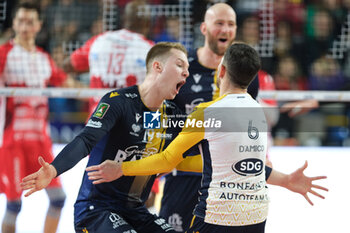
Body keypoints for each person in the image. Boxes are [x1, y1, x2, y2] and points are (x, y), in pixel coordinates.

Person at [83, 42, 328, 233]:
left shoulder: (208, 113)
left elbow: (168, 159)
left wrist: (122, 168)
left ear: (220, 72)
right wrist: (286, 180)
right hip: (256, 215)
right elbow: (244, 167)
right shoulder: (257, 112)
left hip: (218, 217)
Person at [20, 42, 190, 233]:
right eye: (180, 65)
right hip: (96, 210)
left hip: (135, 212)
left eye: (187, 68)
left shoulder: (170, 116)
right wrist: (53, 169)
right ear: (157, 66)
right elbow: (85, 141)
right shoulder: (119, 101)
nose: (186, 73)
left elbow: (183, 157)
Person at [159, 3, 259, 231]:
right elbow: (159, 119)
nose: (225, 30)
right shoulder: (180, 67)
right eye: (219, 24)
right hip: (183, 174)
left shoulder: (245, 70)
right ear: (204, 28)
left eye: (231, 24)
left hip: (226, 180)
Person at [0, 2, 67, 233]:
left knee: (59, 199)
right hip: (13, 141)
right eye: (20, 21)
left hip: (41, 142)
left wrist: (104, 94)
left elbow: (66, 82)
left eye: (30, 21)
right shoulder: (3, 53)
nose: (25, 26)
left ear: (38, 26)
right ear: (14, 23)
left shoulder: (43, 58)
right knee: (13, 205)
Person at [63, 0, 154, 116]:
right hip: (130, 124)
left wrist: (97, 67)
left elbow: (67, 65)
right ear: (148, 23)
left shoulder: (100, 40)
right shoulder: (150, 50)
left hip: (97, 122)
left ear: (124, 19)